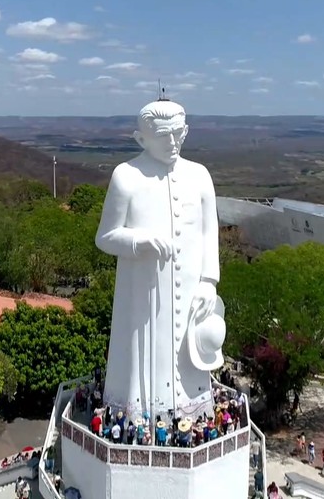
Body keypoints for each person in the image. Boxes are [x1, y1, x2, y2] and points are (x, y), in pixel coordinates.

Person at [95, 100, 222, 421]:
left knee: (190, 357)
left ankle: (195, 410)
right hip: (143, 299)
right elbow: (105, 236)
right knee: (142, 363)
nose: (173, 143)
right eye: (164, 136)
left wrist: (209, 281)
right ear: (141, 139)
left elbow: (210, 232)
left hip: (193, 294)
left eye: (179, 133)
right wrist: (139, 241)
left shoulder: (200, 175)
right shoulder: (126, 176)